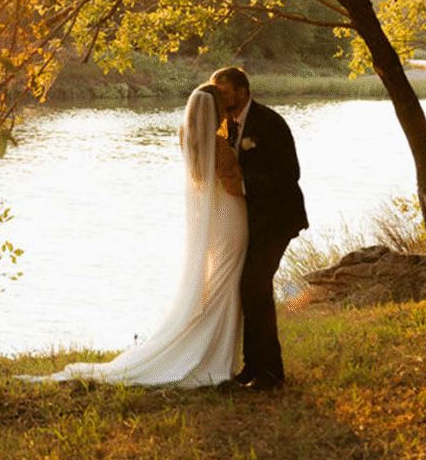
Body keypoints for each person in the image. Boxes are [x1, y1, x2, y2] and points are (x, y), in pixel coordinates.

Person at [19, 84, 248, 387]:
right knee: (226, 284)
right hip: (230, 216)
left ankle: (211, 350)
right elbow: (234, 187)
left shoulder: (187, 138)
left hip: (213, 218)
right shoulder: (217, 145)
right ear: (215, 110)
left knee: (216, 283)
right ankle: (213, 356)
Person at [210, 66, 308, 390]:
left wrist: (244, 185)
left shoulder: (270, 122)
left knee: (255, 285)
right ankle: (253, 367)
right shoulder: (224, 127)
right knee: (248, 289)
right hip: (249, 222)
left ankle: (271, 372)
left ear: (242, 91)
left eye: (224, 92)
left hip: (277, 218)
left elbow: (289, 174)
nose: (220, 99)